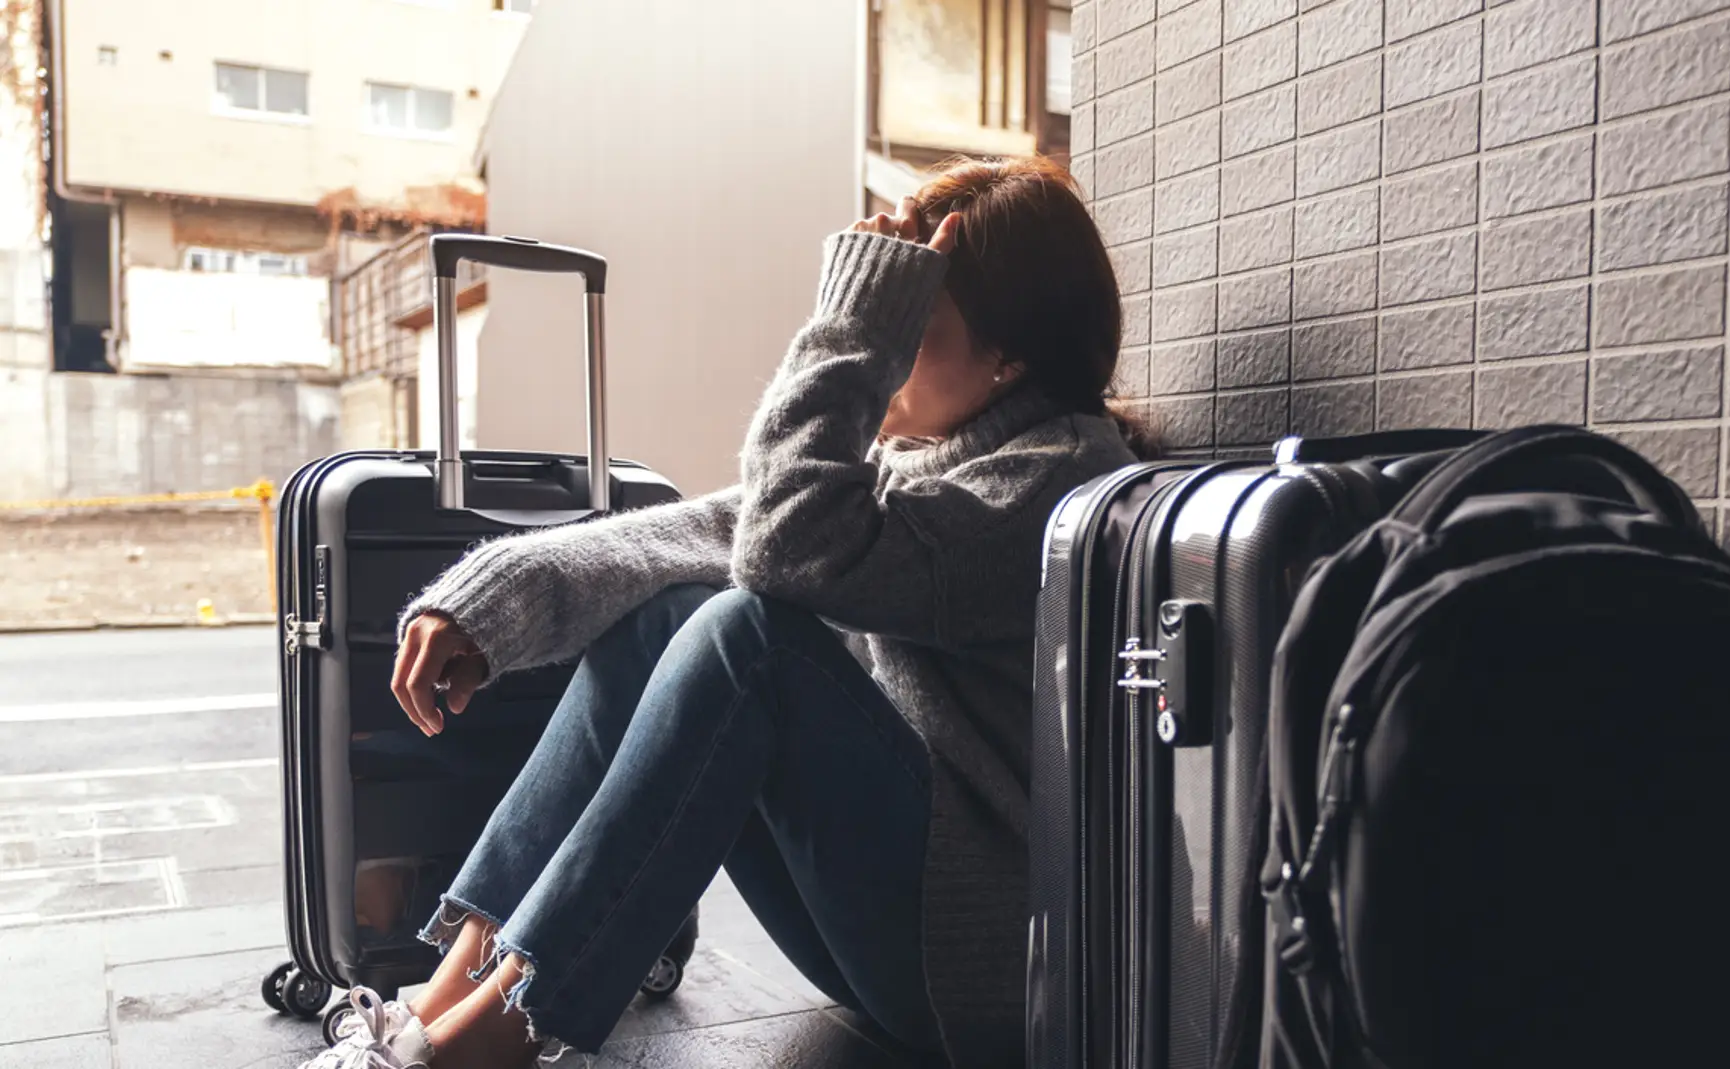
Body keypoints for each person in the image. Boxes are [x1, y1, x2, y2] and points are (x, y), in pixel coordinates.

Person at [302, 156, 1153, 1069]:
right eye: (888, 325)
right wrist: (488, 602)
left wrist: (849, 328)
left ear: (1010, 357)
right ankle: (435, 1018)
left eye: (914, 325)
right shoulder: (940, 461)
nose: (890, 352)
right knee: (672, 611)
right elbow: (713, 529)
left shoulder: (1049, 484)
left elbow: (780, 543)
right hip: (898, 931)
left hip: (975, 974)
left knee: (750, 639)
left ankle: (485, 1049)